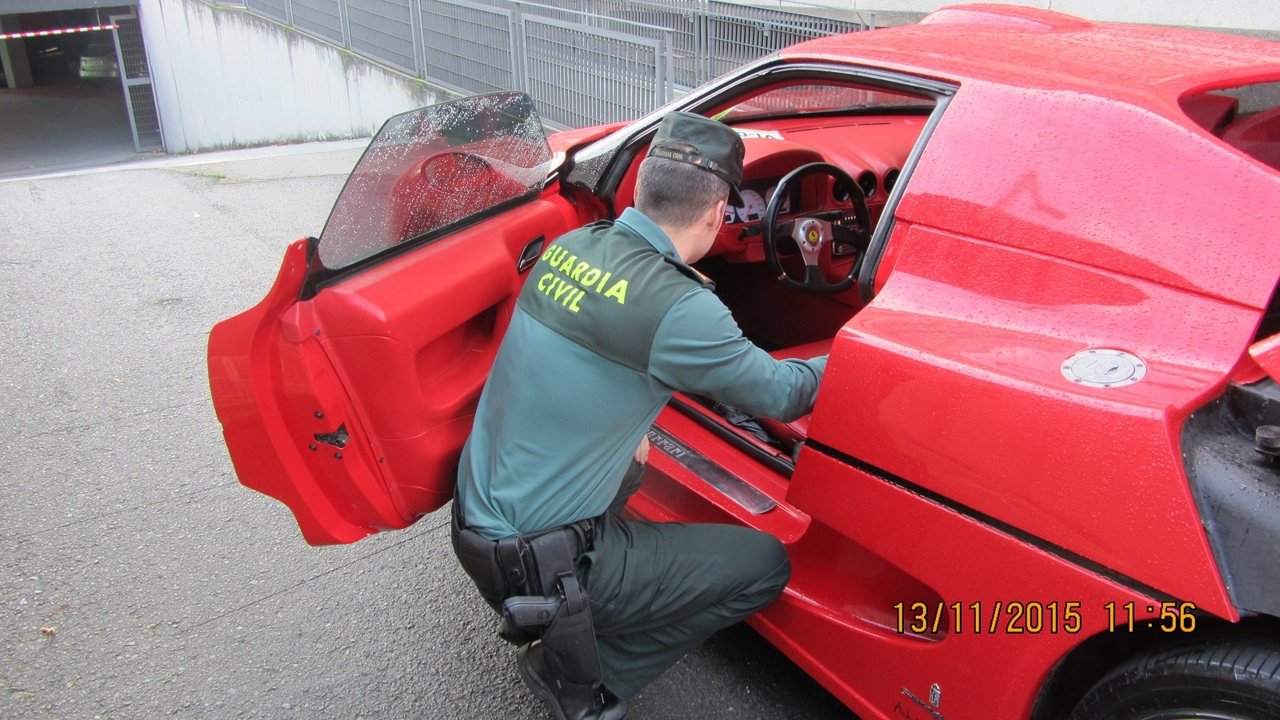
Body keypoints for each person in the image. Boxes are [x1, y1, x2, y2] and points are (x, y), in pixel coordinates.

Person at [451, 111, 826, 720]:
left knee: (634, 454)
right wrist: (858, 349)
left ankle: (575, 598)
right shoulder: (681, 309)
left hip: (473, 515)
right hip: (536, 565)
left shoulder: (572, 247)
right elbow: (783, 395)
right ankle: (582, 679)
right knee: (764, 565)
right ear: (716, 214)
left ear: (642, 188)